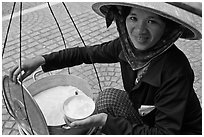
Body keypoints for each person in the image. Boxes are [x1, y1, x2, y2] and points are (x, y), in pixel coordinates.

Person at [9, 2, 202, 135]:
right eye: (133, 17)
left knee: (103, 118)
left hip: (177, 131)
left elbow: (165, 133)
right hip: (147, 118)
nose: (140, 31)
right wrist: (42, 60)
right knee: (107, 97)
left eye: (152, 21)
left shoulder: (176, 70)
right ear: (123, 19)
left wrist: (104, 122)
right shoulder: (127, 48)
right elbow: (86, 54)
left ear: (167, 29)